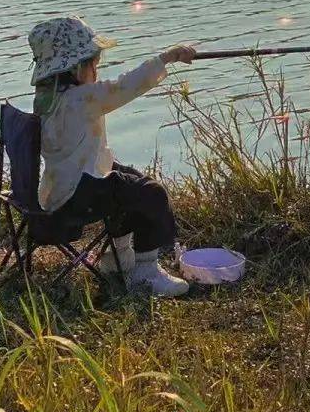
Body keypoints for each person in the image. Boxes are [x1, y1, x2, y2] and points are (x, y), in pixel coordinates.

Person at [29, 15, 196, 298]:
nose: (97, 68)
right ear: (76, 67)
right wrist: (166, 58)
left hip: (59, 187)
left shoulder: (47, 99)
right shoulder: (80, 100)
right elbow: (123, 87)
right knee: (152, 194)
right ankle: (145, 273)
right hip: (78, 195)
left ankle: (116, 258)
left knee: (130, 180)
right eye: (93, 62)